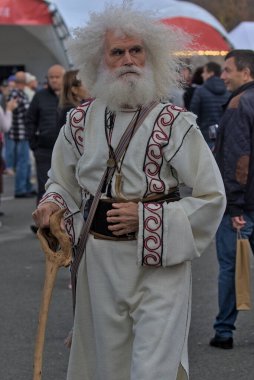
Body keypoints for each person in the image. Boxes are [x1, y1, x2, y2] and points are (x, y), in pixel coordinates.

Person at [32, 4, 226, 380]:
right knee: (109, 365)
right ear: (98, 59)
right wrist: (52, 205)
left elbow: (211, 196)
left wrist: (146, 218)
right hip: (99, 263)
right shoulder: (77, 121)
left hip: (159, 267)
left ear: (150, 54)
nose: (128, 60)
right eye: (117, 52)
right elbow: (61, 182)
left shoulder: (174, 123)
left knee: (153, 367)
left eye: (136, 50)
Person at [210, 49, 254, 350]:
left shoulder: (240, 104)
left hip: (242, 205)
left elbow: (239, 159)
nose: (223, 76)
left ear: (246, 73)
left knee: (230, 267)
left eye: (228, 70)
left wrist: (235, 205)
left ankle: (224, 331)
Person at [26, 64, 65, 205]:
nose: (54, 80)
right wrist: (33, 144)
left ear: (64, 78)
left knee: (66, 187)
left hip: (66, 150)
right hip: (44, 149)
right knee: (44, 187)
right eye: (51, 77)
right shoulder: (40, 96)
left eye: (57, 77)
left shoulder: (70, 96)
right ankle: (41, 224)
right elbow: (30, 120)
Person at [7, 71, 35, 197]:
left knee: (26, 162)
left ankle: (27, 187)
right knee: (23, 162)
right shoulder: (16, 94)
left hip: (23, 132)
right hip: (21, 132)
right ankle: (20, 189)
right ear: (23, 82)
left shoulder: (19, 93)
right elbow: (24, 112)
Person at [190, 61, 229, 149]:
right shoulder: (228, 90)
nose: (202, 75)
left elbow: (193, 115)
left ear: (211, 73)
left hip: (204, 137)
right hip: (223, 138)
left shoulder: (200, 91)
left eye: (204, 72)